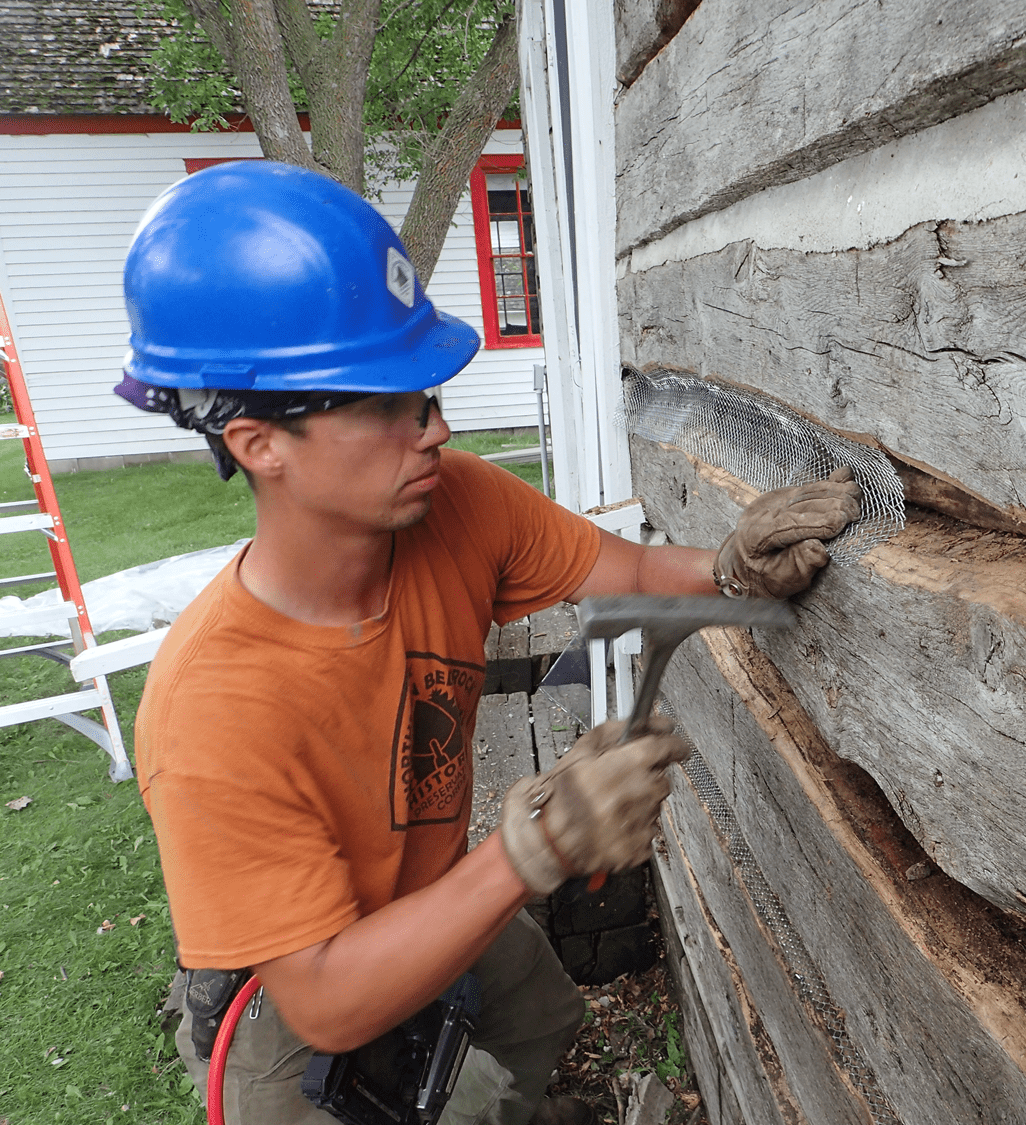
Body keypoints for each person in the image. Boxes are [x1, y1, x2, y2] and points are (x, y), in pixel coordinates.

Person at [117, 161, 861, 1125]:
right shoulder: (209, 712)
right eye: (389, 405)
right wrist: (539, 841)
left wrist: (728, 565)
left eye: (426, 393)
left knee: (533, 1019)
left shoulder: (456, 505)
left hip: (434, 897)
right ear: (261, 442)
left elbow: (627, 573)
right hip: (296, 1007)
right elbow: (327, 997)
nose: (437, 427)